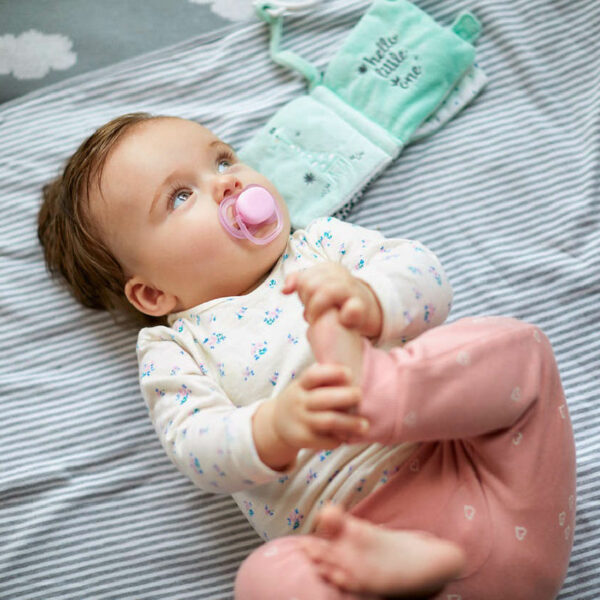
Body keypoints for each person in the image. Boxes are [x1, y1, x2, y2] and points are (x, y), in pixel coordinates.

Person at [38, 113, 576, 599]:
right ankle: (398, 569)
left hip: (493, 495)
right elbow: (194, 445)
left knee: (520, 350)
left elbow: (426, 275)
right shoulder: (174, 347)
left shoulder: (319, 245)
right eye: (180, 196)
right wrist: (274, 428)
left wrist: (371, 300)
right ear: (153, 294)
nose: (228, 182)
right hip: (346, 550)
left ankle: (384, 390)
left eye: (223, 159)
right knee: (264, 578)